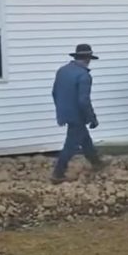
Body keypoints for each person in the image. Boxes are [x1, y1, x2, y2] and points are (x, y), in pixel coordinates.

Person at [51, 44, 106, 184]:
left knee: (84, 139)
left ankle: (96, 163)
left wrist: (61, 110)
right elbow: (83, 101)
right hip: (77, 115)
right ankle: (58, 173)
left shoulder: (62, 71)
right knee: (70, 145)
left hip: (65, 112)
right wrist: (92, 118)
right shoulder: (84, 76)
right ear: (88, 59)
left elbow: (54, 92)